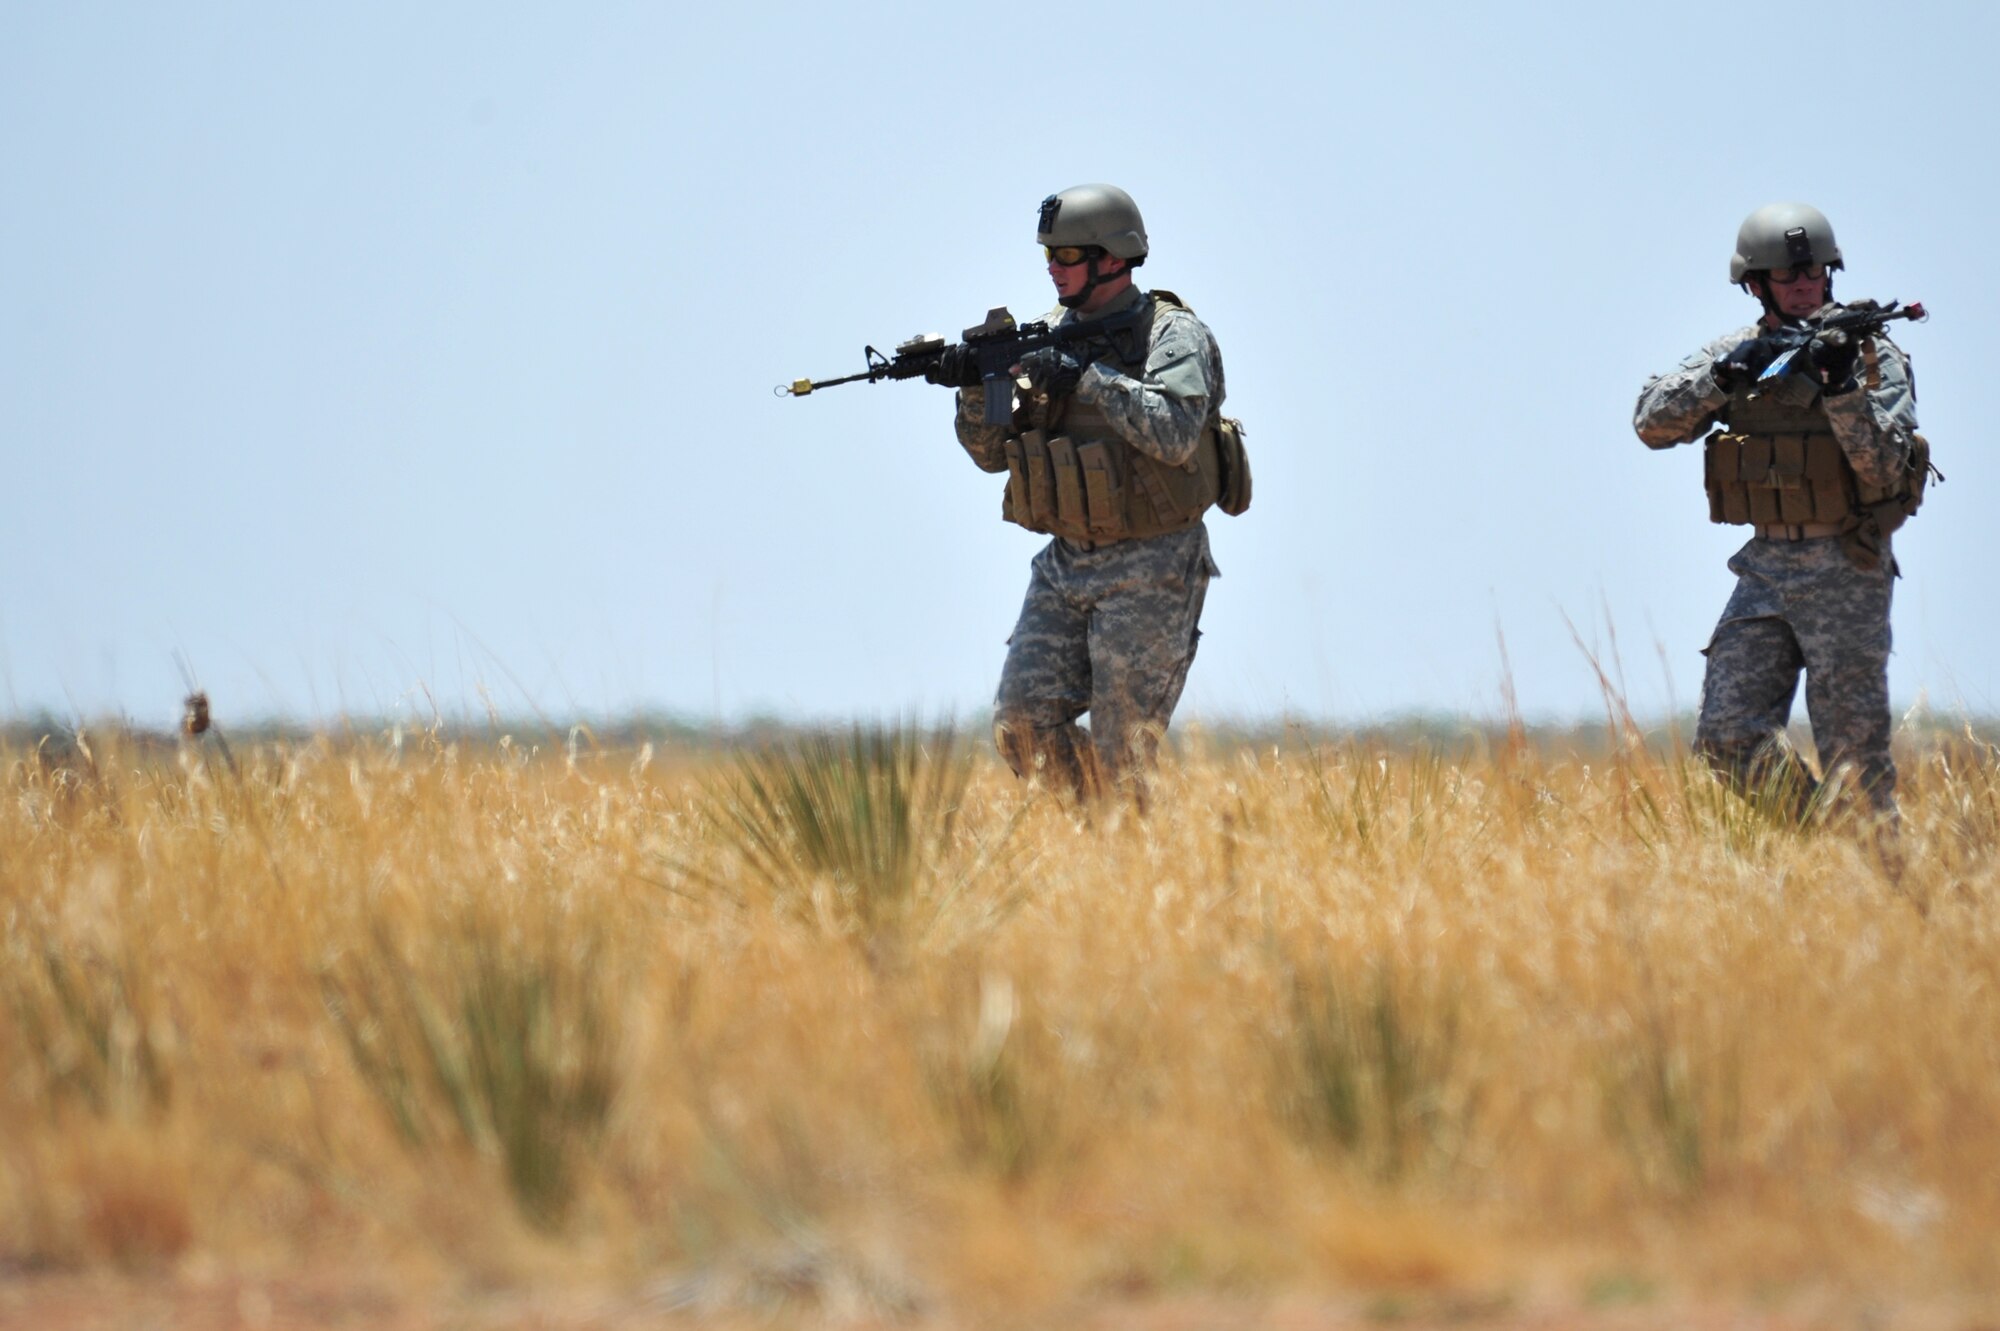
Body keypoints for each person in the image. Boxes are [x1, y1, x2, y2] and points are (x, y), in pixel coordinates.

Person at [938, 184, 1239, 804]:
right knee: (1020, 727)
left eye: (1068, 254)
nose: (1053, 267)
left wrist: (1089, 379)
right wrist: (976, 386)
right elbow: (991, 456)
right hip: (1066, 563)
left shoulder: (1172, 335)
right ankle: (1107, 832)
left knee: (1121, 753)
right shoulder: (1046, 336)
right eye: (1049, 254)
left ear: (1114, 257)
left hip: (1153, 565)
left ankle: (1129, 844)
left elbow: (1176, 434)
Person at [1633, 202, 1928, 825]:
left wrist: (1840, 387)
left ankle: (1880, 873)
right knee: (1727, 737)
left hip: (1847, 567)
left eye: (1813, 271)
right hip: (1765, 569)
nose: (1803, 284)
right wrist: (1721, 378)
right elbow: (1651, 424)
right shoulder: (1740, 352)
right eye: (1786, 274)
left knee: (1855, 764)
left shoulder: (1871, 356)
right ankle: (1827, 845)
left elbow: (1883, 467)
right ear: (1755, 283)